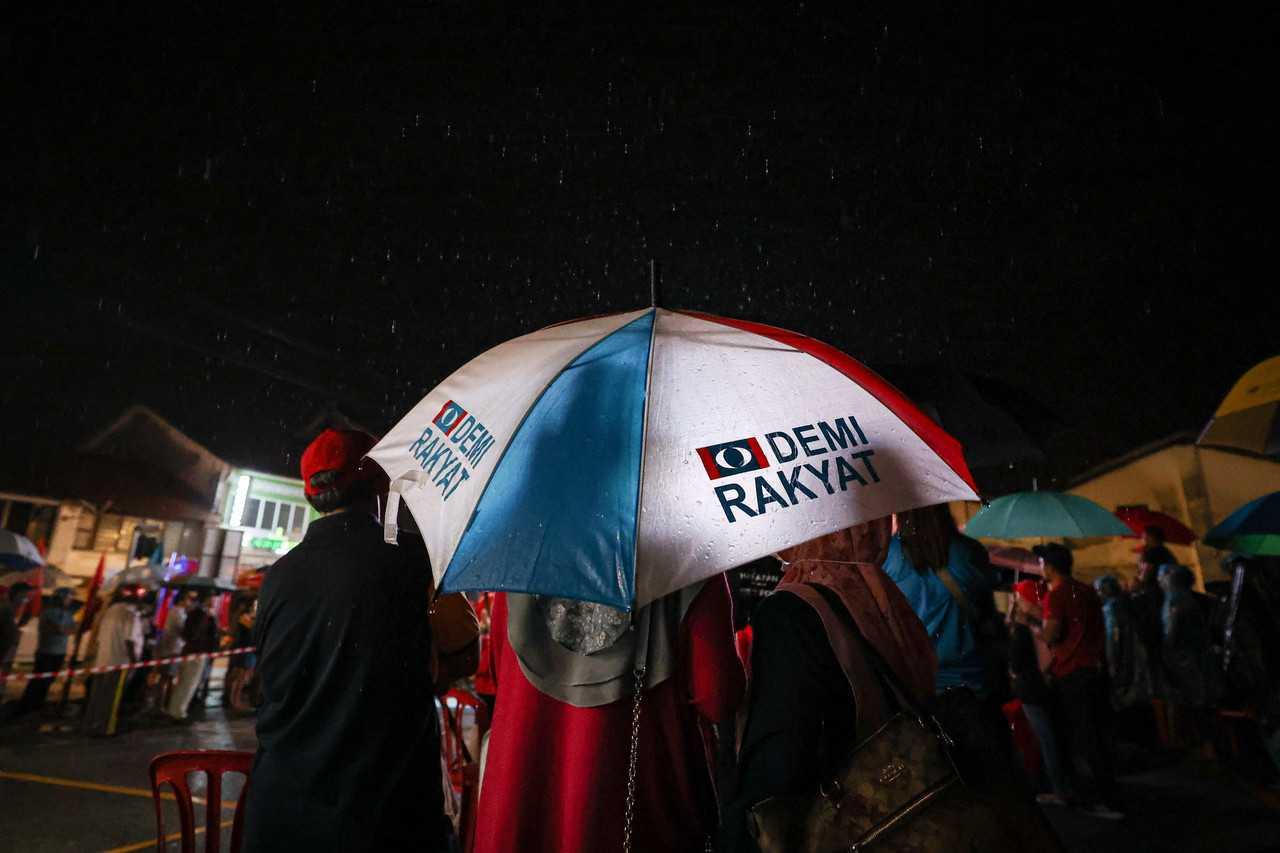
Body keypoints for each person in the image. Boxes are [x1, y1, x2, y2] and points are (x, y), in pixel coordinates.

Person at [242, 429, 451, 853]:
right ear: (378, 484)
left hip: (279, 815)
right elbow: (458, 657)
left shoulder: (278, 576)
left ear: (310, 494)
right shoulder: (415, 560)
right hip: (381, 817)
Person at [474, 576, 744, 852]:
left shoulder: (517, 563)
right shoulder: (691, 564)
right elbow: (718, 697)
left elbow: (497, 669)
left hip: (520, 799)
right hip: (638, 809)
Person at [722, 519, 940, 853]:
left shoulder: (791, 611)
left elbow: (777, 764)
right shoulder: (881, 592)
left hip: (848, 825)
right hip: (909, 813)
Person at [1036, 542, 1122, 819]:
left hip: (1072, 673)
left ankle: (1101, 800)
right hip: (1095, 669)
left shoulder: (1056, 595)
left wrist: (1034, 624)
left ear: (1050, 567)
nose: (1040, 567)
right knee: (1100, 733)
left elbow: (1052, 634)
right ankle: (1111, 792)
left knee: (1084, 738)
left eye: (1042, 563)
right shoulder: (1086, 590)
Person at [882, 503, 998, 696]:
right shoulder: (970, 551)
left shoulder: (888, 557)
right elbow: (986, 612)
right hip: (974, 683)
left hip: (919, 687)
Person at [1008, 579, 1070, 806]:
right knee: (1053, 737)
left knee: (1046, 740)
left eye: (1018, 598)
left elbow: (1016, 664)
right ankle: (1065, 786)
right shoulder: (1041, 625)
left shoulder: (1022, 631)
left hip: (1031, 690)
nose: (1014, 601)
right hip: (1048, 687)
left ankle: (1059, 790)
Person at [82, 589, 143, 736]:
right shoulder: (130, 615)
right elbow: (129, 640)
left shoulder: (108, 613)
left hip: (102, 661)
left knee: (97, 696)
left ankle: (91, 724)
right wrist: (134, 663)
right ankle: (105, 728)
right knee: (112, 697)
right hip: (119, 662)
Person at [14, 587, 78, 715]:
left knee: (49, 681)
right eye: (68, 598)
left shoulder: (68, 614)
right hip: (46, 652)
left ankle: (38, 705)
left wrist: (65, 629)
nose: (70, 600)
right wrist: (65, 629)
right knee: (38, 681)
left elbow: (73, 629)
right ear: (60, 598)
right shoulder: (47, 613)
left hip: (60, 653)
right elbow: (59, 630)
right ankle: (26, 706)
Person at [1094, 575, 1154, 709]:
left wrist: (1112, 666)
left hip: (1123, 668)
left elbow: (1113, 641)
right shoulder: (1126, 604)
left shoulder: (1111, 609)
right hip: (1137, 666)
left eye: (1098, 591)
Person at [164, 591, 217, 721]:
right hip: (196, 652)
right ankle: (178, 712)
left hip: (189, 651)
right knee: (188, 684)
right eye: (212, 598)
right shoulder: (202, 615)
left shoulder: (193, 613)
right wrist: (211, 621)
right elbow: (196, 633)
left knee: (184, 682)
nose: (214, 601)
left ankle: (175, 710)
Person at [0, 582, 33, 684]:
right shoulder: (6, 609)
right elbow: (10, 632)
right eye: (25, 596)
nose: (26, 600)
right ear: (17, 594)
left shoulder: (11, 609)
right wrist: (16, 632)